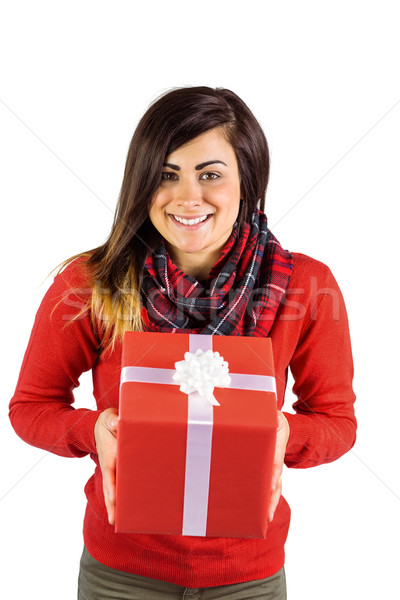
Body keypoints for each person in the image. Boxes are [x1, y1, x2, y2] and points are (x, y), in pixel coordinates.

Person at [9, 86, 356, 599]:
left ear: (247, 182)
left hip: (248, 576)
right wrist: (93, 429)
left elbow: (338, 423)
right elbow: (30, 407)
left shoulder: (306, 286)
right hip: (120, 574)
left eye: (210, 174)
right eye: (166, 175)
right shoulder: (88, 284)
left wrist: (280, 432)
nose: (187, 197)